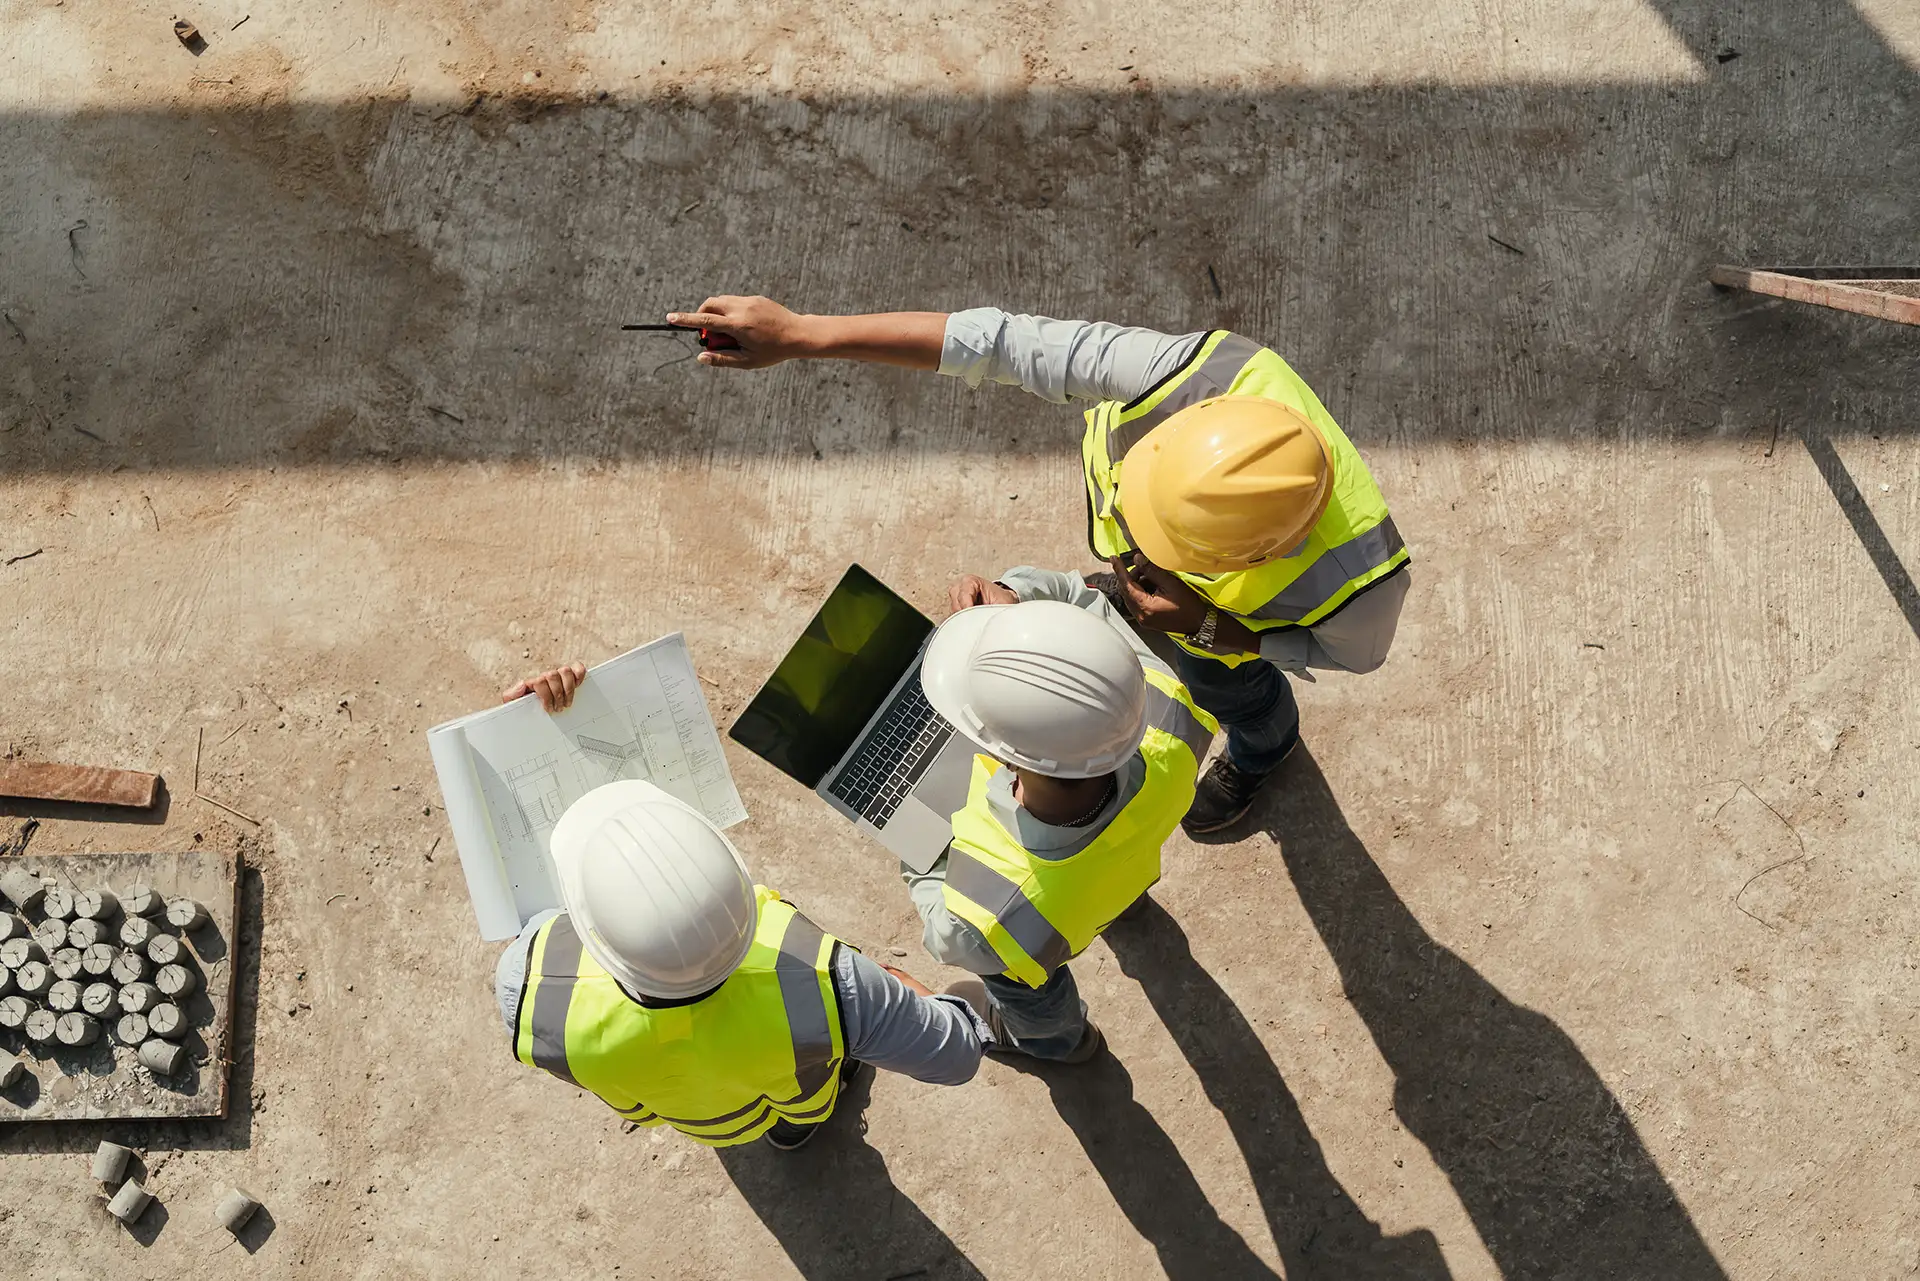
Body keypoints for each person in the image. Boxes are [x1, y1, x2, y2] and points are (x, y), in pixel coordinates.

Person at [664, 298, 1411, 833]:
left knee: (1237, 695)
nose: (1130, 552)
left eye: (1159, 546)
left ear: (1253, 554)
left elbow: (1354, 659)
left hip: (1220, 636)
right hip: (1192, 608)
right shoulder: (1190, 373)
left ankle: (1265, 745)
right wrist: (803, 333)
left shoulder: (1363, 589)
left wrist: (1221, 631)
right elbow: (1000, 343)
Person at [495, 665, 992, 1150]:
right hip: (796, 1095)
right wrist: (890, 991)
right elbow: (956, 1053)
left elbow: (530, 912)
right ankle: (797, 1128)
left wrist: (522, 736)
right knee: (801, 1103)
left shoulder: (527, 989)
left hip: (697, 1117)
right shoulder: (833, 983)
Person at [903, 570, 1217, 1061]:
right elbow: (1084, 605)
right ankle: (1122, 909)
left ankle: (1059, 1043)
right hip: (1116, 870)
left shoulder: (984, 917)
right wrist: (1019, 605)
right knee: (1110, 880)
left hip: (1040, 930)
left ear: (1001, 757)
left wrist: (914, 848)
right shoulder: (1167, 712)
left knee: (1026, 989)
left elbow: (946, 937)